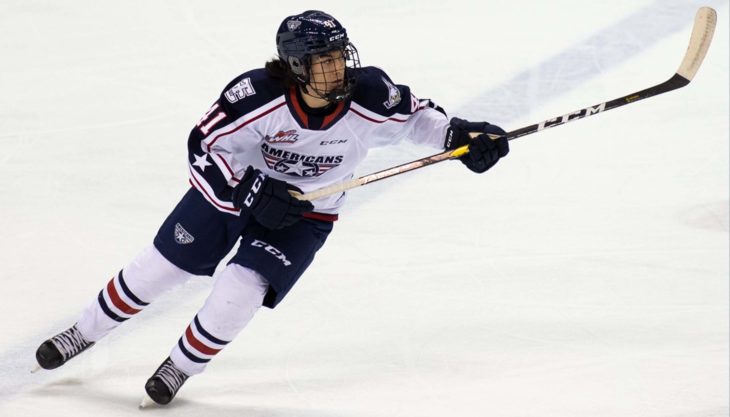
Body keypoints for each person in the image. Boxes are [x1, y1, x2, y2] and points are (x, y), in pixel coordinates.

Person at [34, 10, 509, 406]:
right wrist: (249, 191)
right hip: (232, 193)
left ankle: (180, 367)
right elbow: (204, 146)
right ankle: (83, 332)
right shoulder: (256, 96)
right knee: (160, 268)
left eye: (340, 56)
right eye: (324, 61)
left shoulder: (369, 94)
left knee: (243, 288)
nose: (337, 69)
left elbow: (416, 116)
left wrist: (457, 135)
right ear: (297, 66)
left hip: (309, 210)